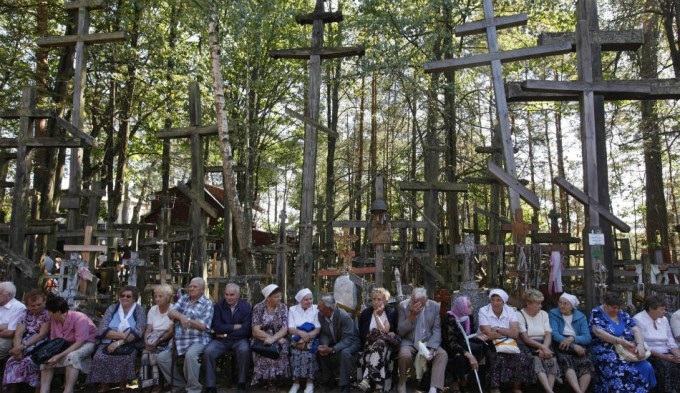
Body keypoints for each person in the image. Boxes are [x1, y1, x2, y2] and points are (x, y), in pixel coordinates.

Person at [589, 292, 656, 393]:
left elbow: (636, 329)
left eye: (618, 308)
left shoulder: (623, 314)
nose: (617, 310)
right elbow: (598, 332)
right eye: (614, 307)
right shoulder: (597, 312)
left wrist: (640, 345)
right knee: (620, 370)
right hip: (606, 350)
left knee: (646, 365)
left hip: (627, 349)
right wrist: (620, 341)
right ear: (605, 305)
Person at [157, 277, 213, 393]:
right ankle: (179, 385)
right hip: (180, 339)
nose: (191, 288)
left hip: (198, 339)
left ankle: (193, 389)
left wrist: (188, 321)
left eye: (195, 287)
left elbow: (203, 326)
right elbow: (171, 312)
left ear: (202, 289)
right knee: (162, 357)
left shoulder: (207, 304)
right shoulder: (184, 299)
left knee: (191, 356)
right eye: (190, 286)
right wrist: (182, 317)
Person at [87, 286, 147, 392]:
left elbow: (139, 331)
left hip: (129, 343)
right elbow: (102, 329)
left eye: (128, 296)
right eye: (122, 295)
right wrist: (124, 335)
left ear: (134, 299)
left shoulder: (139, 310)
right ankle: (104, 386)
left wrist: (118, 343)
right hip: (109, 340)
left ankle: (122, 385)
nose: (124, 298)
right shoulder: (112, 308)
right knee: (99, 357)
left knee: (127, 357)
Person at [478, 288, 533, 393]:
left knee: (521, 356)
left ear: (503, 301)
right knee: (496, 356)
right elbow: (488, 334)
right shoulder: (483, 311)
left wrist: (498, 329)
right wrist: (507, 331)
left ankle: (516, 387)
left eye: (498, 300)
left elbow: (515, 334)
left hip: (510, 341)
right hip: (490, 342)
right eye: (493, 299)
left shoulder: (510, 310)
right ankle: (495, 387)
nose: (495, 302)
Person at [39, 296, 97, 393]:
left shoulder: (80, 318)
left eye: (49, 311)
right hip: (66, 344)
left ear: (58, 312)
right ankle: (44, 390)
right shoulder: (54, 319)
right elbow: (54, 340)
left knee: (72, 356)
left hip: (86, 343)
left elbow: (80, 342)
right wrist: (51, 353)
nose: (48, 314)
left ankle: (68, 390)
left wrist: (59, 355)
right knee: (46, 357)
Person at [396, 287, 448, 393]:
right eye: (415, 302)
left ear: (426, 299)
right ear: (411, 298)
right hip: (409, 341)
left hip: (427, 340)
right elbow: (400, 332)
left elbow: (436, 330)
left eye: (421, 303)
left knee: (442, 354)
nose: (418, 305)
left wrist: (432, 349)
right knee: (404, 355)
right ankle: (402, 382)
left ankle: (433, 388)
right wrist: (411, 316)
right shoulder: (403, 306)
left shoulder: (434, 306)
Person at [203, 283, 252, 393]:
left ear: (238, 295)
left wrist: (225, 333)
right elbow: (217, 327)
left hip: (239, 340)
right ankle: (211, 386)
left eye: (232, 295)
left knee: (244, 350)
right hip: (221, 341)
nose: (228, 297)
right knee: (208, 351)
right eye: (226, 294)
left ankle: (241, 383)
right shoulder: (219, 306)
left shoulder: (246, 307)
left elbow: (246, 330)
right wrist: (234, 327)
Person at [2, 289, 50, 393]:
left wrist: (22, 347)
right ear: (28, 305)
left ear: (44, 302)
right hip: (24, 342)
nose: (36, 307)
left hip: (40, 344)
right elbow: (18, 333)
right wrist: (17, 348)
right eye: (33, 305)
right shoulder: (25, 313)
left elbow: (42, 334)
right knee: (12, 361)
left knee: (29, 362)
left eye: (39, 304)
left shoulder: (47, 314)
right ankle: (12, 389)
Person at [633, 295, 680, 393]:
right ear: (651, 309)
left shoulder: (664, 319)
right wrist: (663, 357)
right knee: (665, 366)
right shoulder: (638, 320)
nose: (665, 312)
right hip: (650, 354)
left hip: (666, 352)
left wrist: (677, 354)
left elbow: (670, 340)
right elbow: (643, 345)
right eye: (662, 309)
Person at [548, 292, 593, 393]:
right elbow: (554, 334)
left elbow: (587, 337)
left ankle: (581, 390)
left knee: (586, 362)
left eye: (565, 303)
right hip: (561, 343)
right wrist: (573, 346)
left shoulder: (581, 316)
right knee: (566, 361)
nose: (562, 306)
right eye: (560, 303)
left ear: (572, 306)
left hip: (577, 342)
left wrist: (572, 339)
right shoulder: (553, 313)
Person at [516, 289, 559, 393]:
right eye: (538, 303)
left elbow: (548, 334)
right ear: (528, 303)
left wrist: (545, 347)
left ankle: (550, 389)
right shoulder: (519, 315)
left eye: (541, 303)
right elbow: (525, 338)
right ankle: (549, 391)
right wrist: (543, 348)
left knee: (551, 359)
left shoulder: (544, 314)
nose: (540, 306)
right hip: (528, 345)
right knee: (536, 360)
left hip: (545, 343)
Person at [357, 288, 398, 393]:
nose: (376, 302)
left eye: (379, 299)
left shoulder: (390, 312)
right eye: (374, 299)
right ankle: (379, 387)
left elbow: (384, 330)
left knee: (380, 344)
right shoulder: (366, 313)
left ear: (385, 301)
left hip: (385, 345)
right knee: (378, 349)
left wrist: (376, 315)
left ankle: (366, 379)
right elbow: (362, 333)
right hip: (369, 345)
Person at [317, 294, 360, 393]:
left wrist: (332, 349)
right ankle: (329, 382)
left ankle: (345, 385)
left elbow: (348, 339)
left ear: (328, 309)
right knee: (322, 351)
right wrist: (325, 345)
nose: (317, 308)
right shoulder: (321, 315)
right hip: (336, 341)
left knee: (345, 353)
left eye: (320, 306)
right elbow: (324, 333)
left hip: (352, 342)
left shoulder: (343, 316)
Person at [251, 284, 290, 389]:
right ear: (268, 297)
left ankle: (280, 379)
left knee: (283, 347)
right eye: (276, 296)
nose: (279, 298)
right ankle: (269, 381)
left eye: (280, 296)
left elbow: (284, 328)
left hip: (278, 337)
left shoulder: (283, 307)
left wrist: (273, 339)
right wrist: (270, 338)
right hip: (261, 338)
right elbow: (255, 331)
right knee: (267, 352)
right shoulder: (258, 307)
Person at [442, 296, 483, 393]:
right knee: (459, 357)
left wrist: (478, 336)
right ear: (461, 307)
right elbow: (451, 343)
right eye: (468, 306)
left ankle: (471, 380)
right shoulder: (450, 319)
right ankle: (459, 382)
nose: (472, 308)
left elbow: (470, 334)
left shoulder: (468, 317)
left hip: (464, 343)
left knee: (482, 347)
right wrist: (468, 355)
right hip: (451, 346)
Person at [142, 284, 175, 393]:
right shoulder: (153, 309)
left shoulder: (173, 309)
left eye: (160, 296)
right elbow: (148, 328)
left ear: (168, 297)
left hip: (166, 338)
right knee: (146, 352)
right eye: (155, 296)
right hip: (154, 336)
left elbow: (170, 331)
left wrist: (157, 342)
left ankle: (157, 384)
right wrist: (147, 341)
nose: (157, 299)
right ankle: (147, 383)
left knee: (155, 353)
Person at [288, 288, 320, 393]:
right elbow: (291, 328)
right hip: (296, 338)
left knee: (309, 354)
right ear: (300, 300)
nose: (309, 301)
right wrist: (300, 335)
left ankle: (309, 383)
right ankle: (296, 383)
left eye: (311, 299)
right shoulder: (292, 310)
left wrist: (306, 338)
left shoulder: (316, 309)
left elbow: (317, 328)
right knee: (295, 353)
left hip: (311, 338)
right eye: (306, 299)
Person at [0, 282, 27, 360]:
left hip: (7, 340)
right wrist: (3, 327)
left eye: (0, 293)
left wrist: (5, 328)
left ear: (8, 295)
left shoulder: (18, 307)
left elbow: (10, 333)